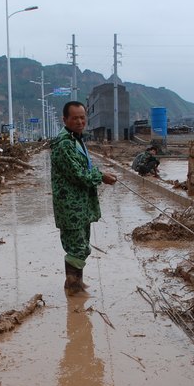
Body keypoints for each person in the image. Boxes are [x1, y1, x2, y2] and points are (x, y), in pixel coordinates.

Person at [50, 101, 117, 295]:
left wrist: (100, 172)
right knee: (77, 247)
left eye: (82, 117)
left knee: (81, 245)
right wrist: (101, 177)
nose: (80, 121)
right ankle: (73, 288)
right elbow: (78, 175)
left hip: (80, 204)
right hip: (70, 206)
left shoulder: (75, 139)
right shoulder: (64, 144)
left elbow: (84, 167)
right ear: (65, 120)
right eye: (75, 118)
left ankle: (75, 282)